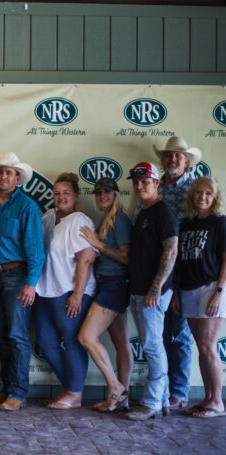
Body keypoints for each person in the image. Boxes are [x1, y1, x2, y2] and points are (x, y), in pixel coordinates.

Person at [0, 153, 44, 411]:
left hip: (17, 276)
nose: (4, 177)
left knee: (17, 335)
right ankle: (8, 389)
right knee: (1, 335)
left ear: (17, 178)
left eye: (9, 173)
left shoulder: (27, 206)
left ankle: (18, 393)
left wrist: (31, 283)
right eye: (0, 172)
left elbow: (36, 251)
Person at [34, 172, 96, 410]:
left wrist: (77, 295)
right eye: (57, 193)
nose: (60, 197)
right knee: (46, 342)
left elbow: (86, 260)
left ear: (76, 195)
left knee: (72, 341)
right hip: (45, 290)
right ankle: (70, 388)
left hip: (69, 291)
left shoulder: (80, 220)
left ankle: (75, 393)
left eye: (66, 193)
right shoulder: (49, 217)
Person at [125, 162, 179, 421]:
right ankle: (164, 399)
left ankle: (152, 402)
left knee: (153, 345)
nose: (139, 185)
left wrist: (156, 287)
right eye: (136, 181)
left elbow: (171, 251)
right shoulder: (143, 213)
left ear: (157, 183)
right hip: (139, 289)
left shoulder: (162, 212)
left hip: (152, 292)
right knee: (153, 344)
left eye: (145, 181)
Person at [153, 136, 202, 410]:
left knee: (181, 334)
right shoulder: (154, 187)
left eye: (178, 156)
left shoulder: (195, 192)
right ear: (163, 159)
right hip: (157, 272)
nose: (172, 160)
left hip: (184, 270)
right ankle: (163, 390)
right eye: (169, 155)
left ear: (186, 161)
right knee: (159, 334)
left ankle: (180, 392)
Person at [77, 177, 133, 412]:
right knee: (121, 342)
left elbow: (126, 258)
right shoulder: (105, 219)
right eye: (98, 192)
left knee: (86, 337)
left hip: (114, 285)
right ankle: (121, 399)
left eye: (107, 192)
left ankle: (116, 388)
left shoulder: (119, 219)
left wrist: (97, 244)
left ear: (116, 194)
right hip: (107, 285)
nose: (102, 195)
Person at [173, 177, 226, 418]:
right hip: (187, 289)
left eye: (207, 193)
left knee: (208, 346)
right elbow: (179, 262)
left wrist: (219, 291)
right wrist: (175, 292)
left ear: (214, 198)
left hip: (210, 288)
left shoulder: (220, 223)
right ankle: (207, 398)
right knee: (201, 347)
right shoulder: (185, 225)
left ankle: (217, 402)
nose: (202, 197)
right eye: (198, 193)